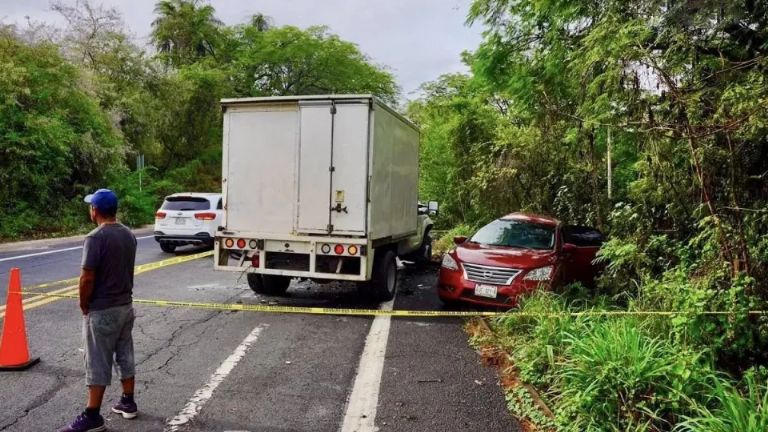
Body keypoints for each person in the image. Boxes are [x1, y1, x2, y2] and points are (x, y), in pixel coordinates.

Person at [60, 189, 139, 432]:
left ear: (95, 210)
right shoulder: (129, 235)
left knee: (97, 361)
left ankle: (92, 415)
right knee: (125, 354)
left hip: (102, 309)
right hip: (125, 306)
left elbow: (87, 278)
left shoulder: (95, 238)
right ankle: (128, 401)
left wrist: (84, 304)